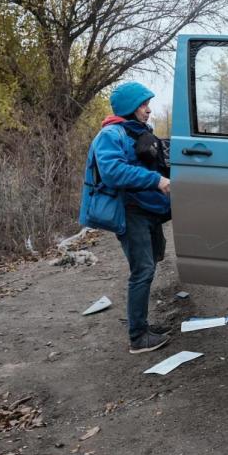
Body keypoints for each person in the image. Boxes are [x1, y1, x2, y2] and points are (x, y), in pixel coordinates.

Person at [84, 81, 173, 353]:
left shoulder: (136, 132)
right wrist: (155, 180)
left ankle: (143, 325)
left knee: (153, 260)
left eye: (147, 104)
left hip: (147, 211)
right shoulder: (111, 135)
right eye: (143, 105)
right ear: (129, 108)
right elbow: (112, 172)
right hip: (129, 212)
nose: (148, 110)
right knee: (142, 270)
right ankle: (138, 337)